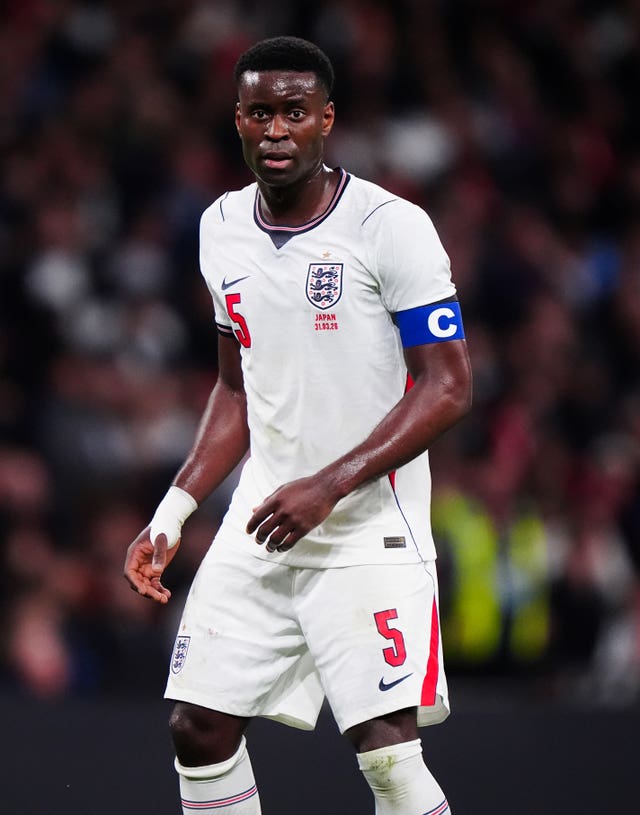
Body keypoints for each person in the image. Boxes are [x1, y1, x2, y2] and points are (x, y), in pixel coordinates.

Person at [124, 35, 472, 815]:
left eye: (294, 113)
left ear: (326, 120)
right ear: (238, 121)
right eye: (259, 113)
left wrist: (330, 484)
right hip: (265, 520)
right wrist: (174, 512)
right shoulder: (220, 228)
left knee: (388, 753)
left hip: (365, 527)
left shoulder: (391, 227)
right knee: (197, 725)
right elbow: (233, 388)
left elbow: (449, 388)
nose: (276, 130)